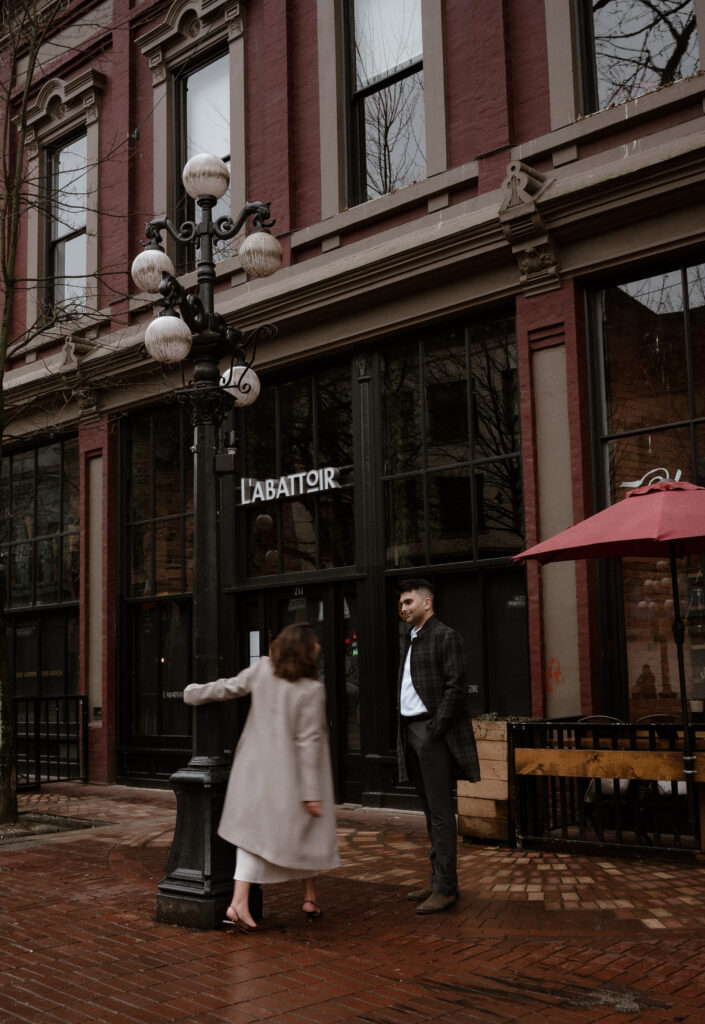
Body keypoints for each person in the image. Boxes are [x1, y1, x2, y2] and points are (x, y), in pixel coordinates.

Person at [183, 622, 340, 931]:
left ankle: (238, 903)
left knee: (252, 835)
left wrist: (193, 693)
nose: (320, 647)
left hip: (253, 771)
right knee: (302, 833)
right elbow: (308, 743)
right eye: (315, 643)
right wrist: (311, 793)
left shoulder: (263, 670)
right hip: (288, 778)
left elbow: (228, 687)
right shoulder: (311, 689)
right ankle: (297, 897)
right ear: (304, 650)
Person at [396, 578, 479, 914]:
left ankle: (445, 889)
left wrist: (434, 729)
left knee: (441, 813)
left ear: (427, 603)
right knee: (430, 813)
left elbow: (457, 688)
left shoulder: (446, 636)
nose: (404, 608)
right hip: (409, 732)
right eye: (401, 604)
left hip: (431, 733)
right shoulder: (412, 639)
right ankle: (438, 880)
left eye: (409, 602)